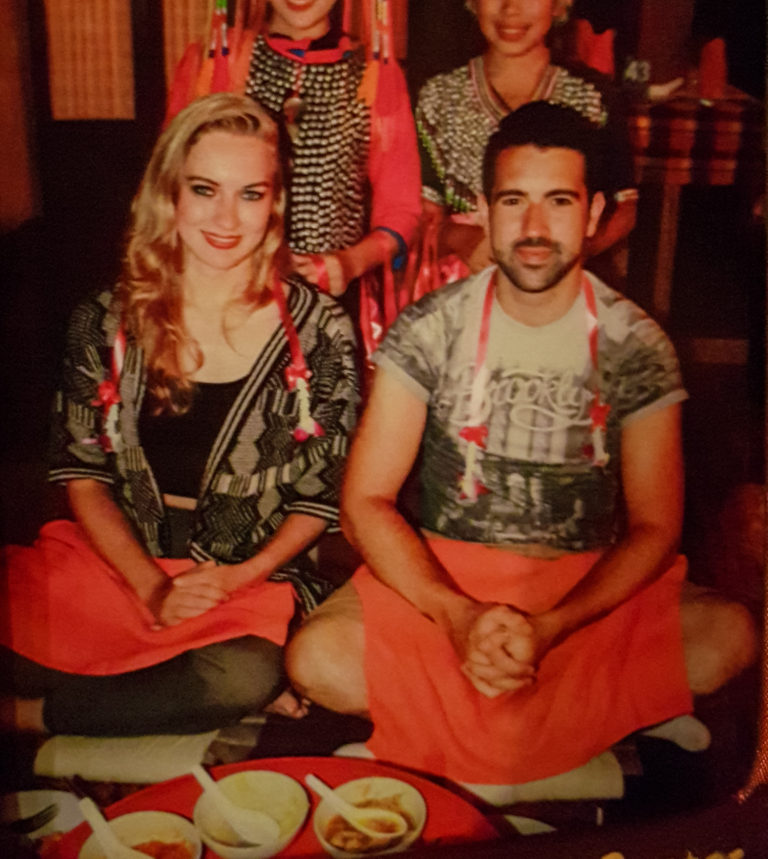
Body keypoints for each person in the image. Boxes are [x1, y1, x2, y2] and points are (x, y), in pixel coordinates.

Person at [286, 102, 757, 787]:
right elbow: (364, 501)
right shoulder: (428, 328)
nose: (535, 229)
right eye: (514, 201)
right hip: (447, 580)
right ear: (483, 208)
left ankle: (443, 721)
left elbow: (656, 527)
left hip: (580, 589)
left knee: (729, 636)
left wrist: (553, 625)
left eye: (558, 201)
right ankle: (600, 716)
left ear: (593, 213)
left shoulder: (637, 342)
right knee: (318, 656)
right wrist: (456, 616)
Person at [0, 93, 359, 737]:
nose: (226, 217)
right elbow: (81, 474)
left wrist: (230, 581)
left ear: (274, 204)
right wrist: (151, 588)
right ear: (169, 192)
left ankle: (32, 717)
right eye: (204, 189)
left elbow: (320, 496)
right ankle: (156, 694)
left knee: (241, 673)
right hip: (117, 563)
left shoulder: (321, 330)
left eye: (250, 194)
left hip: (250, 579)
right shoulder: (105, 318)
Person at [169, 0, 421, 356]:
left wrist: (348, 262)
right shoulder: (214, 62)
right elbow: (169, 187)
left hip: (331, 302)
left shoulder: (375, 75)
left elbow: (401, 208)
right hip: (221, 296)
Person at [412, 0, 637, 294]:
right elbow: (422, 212)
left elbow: (624, 207)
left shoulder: (592, 98)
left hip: (560, 285)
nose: (511, 9)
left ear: (560, 0)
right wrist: (463, 240)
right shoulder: (436, 97)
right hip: (459, 286)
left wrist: (573, 254)